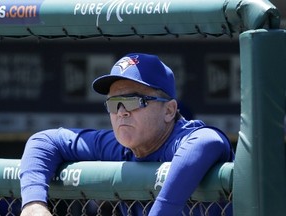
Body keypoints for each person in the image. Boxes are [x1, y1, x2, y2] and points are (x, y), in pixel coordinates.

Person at [19, 53, 234, 216]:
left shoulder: (180, 138)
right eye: (114, 103)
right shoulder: (118, 145)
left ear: (169, 111)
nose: (122, 111)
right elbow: (44, 141)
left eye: (134, 100)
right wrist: (33, 203)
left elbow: (208, 141)